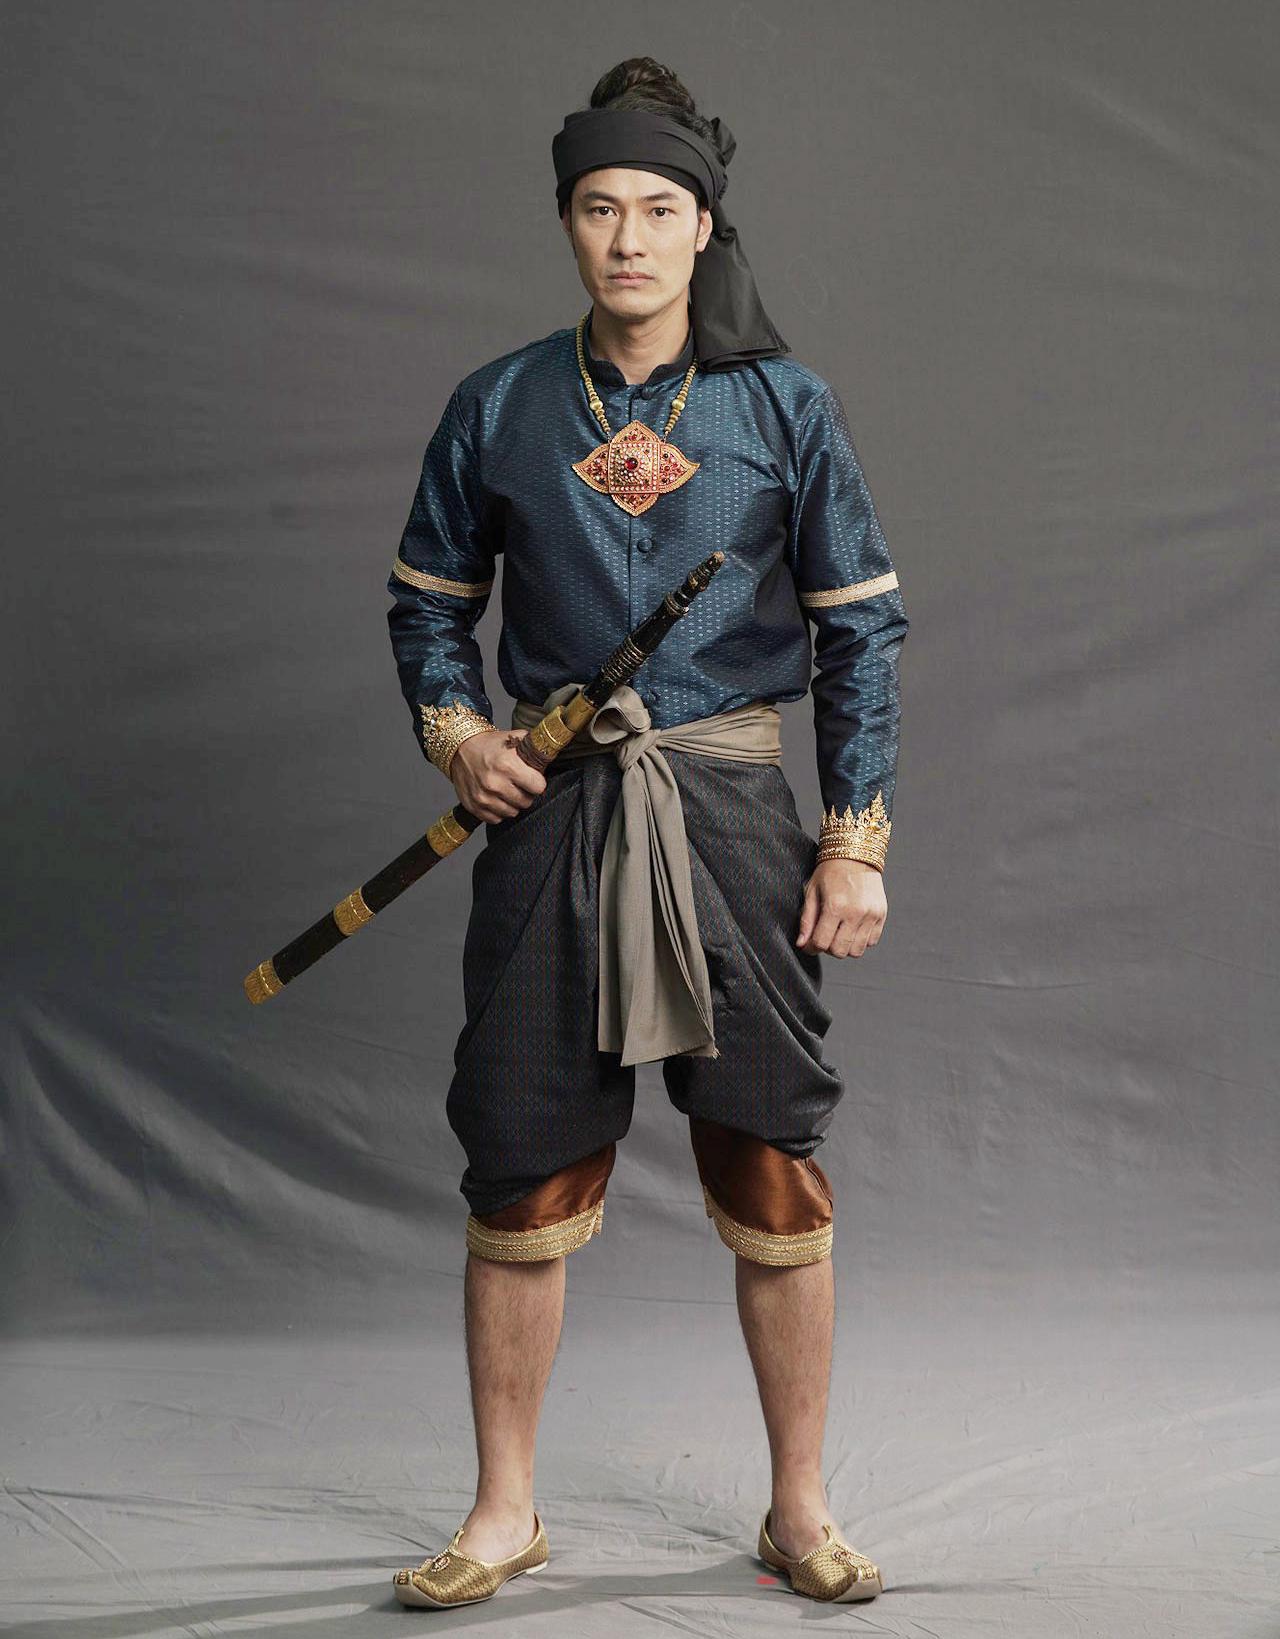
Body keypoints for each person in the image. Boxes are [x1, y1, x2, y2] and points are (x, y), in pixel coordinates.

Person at [385, 57, 907, 1611]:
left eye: (659, 209)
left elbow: (862, 634)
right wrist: (461, 735)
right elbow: (427, 608)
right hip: (552, 819)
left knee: (770, 1159)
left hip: (734, 816)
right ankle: (503, 1512)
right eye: (600, 207)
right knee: (519, 1159)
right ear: (567, 222)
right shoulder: (499, 402)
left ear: (702, 224)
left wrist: (854, 839)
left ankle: (799, 1509)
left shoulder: (785, 405)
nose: (628, 238)